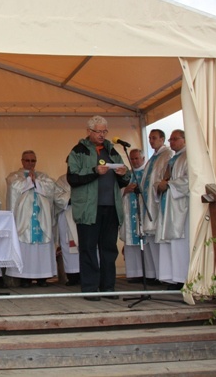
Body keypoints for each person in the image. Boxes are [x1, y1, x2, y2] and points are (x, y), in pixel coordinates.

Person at [67, 115, 131, 301]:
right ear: (89, 132)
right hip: (89, 208)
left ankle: (108, 287)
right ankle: (90, 288)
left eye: (104, 131)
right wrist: (95, 172)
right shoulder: (78, 151)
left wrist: (123, 174)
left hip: (111, 207)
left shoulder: (112, 151)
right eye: (98, 131)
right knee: (88, 247)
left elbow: (123, 182)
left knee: (109, 248)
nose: (102, 135)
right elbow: (73, 178)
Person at [5, 150, 57, 288]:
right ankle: (25, 278)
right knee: (25, 246)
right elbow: (14, 186)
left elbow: (51, 186)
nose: (30, 163)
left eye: (33, 161)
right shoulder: (14, 176)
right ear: (22, 161)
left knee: (42, 247)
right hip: (25, 220)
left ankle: (42, 277)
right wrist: (30, 180)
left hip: (41, 217)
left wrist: (37, 181)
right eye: (27, 160)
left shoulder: (43, 176)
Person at [139, 129, 174, 283]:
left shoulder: (167, 155)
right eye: (150, 138)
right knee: (151, 239)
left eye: (154, 138)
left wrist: (157, 187)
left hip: (159, 203)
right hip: (149, 203)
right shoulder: (153, 158)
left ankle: (166, 276)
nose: (151, 141)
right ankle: (156, 274)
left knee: (160, 239)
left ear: (162, 138)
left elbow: (165, 178)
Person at [155, 129, 189, 290]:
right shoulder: (173, 158)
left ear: (184, 139)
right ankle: (172, 278)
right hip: (169, 205)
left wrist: (169, 184)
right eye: (170, 139)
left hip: (181, 206)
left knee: (180, 242)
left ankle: (182, 278)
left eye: (175, 139)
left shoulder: (189, 156)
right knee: (169, 241)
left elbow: (190, 180)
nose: (171, 142)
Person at [119, 148, 157, 283]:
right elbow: (117, 190)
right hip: (129, 212)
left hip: (143, 212)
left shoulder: (148, 173)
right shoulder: (126, 175)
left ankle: (151, 274)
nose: (134, 161)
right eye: (132, 159)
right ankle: (135, 273)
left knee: (146, 243)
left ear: (143, 158)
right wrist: (125, 190)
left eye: (136, 158)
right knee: (131, 243)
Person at [55, 174, 80, 286]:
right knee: (68, 245)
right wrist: (74, 196)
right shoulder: (62, 180)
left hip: (84, 213)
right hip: (67, 213)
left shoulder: (87, 176)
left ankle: (87, 275)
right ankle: (73, 276)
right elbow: (56, 197)